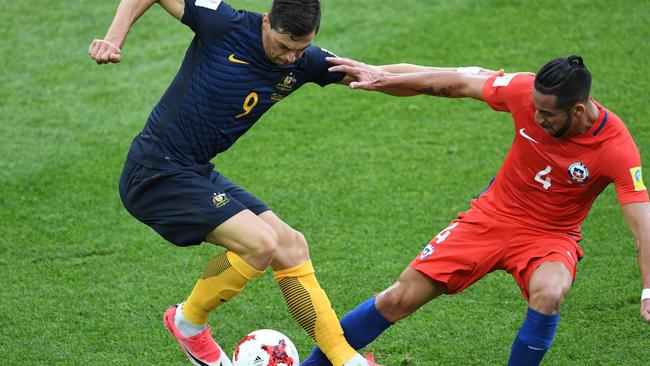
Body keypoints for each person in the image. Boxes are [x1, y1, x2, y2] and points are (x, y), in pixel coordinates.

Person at [301, 55, 650, 365]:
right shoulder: (523, 91)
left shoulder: (616, 148)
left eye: (547, 114)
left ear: (577, 109)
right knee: (398, 298)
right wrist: (383, 78)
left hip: (551, 237)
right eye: (536, 108)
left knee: (550, 291)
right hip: (491, 216)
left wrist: (648, 290)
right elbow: (458, 81)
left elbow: (642, 228)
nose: (538, 118)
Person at [88, 1, 379, 365]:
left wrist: (452, 78)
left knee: (290, 246)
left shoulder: (305, 60)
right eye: (284, 46)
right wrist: (114, 38)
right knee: (261, 244)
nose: (291, 58)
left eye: (301, 49)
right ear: (267, 22)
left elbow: (374, 75)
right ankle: (187, 322)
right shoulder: (225, 24)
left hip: (193, 170)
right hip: (154, 172)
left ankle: (345, 360)